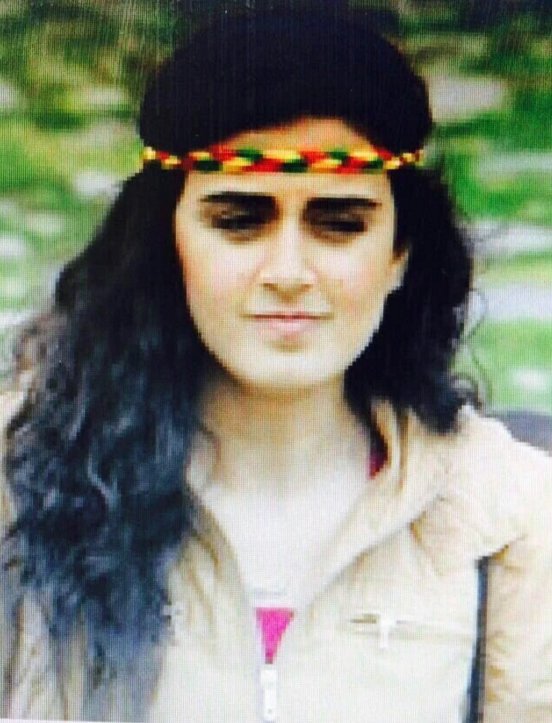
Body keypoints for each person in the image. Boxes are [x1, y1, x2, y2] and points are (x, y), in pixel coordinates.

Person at [1, 6, 552, 722]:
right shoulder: (20, 485)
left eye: (339, 223)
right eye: (239, 220)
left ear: (400, 255)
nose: (288, 272)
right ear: (167, 243)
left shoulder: (509, 513)